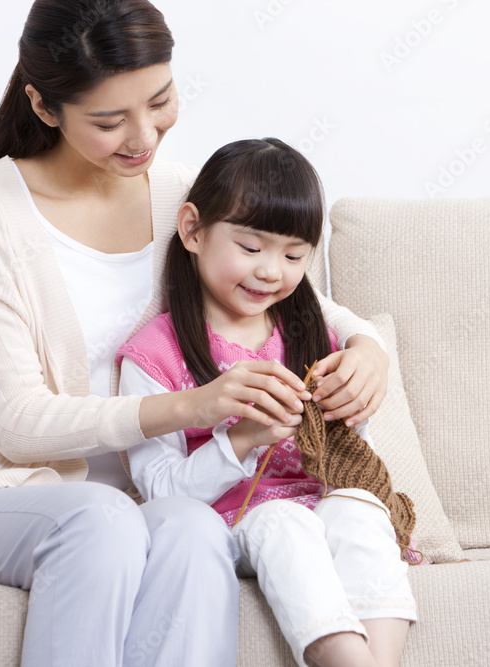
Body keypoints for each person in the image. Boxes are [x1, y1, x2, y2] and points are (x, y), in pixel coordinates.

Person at [0, 1, 392, 665]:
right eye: (109, 121)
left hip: (152, 492)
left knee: (195, 528)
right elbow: (18, 423)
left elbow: (288, 296)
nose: (144, 135)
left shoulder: (179, 196)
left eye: (160, 100)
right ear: (45, 106)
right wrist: (192, 406)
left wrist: (367, 348)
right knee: (99, 519)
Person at [116, 138, 417, 667]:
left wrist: (349, 406)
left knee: (360, 509)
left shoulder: (311, 332)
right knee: (286, 522)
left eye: (294, 254)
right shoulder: (154, 355)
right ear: (192, 230)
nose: (271, 271)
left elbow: (344, 458)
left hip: (321, 507)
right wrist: (243, 438)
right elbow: (160, 490)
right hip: (231, 526)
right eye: (251, 248)